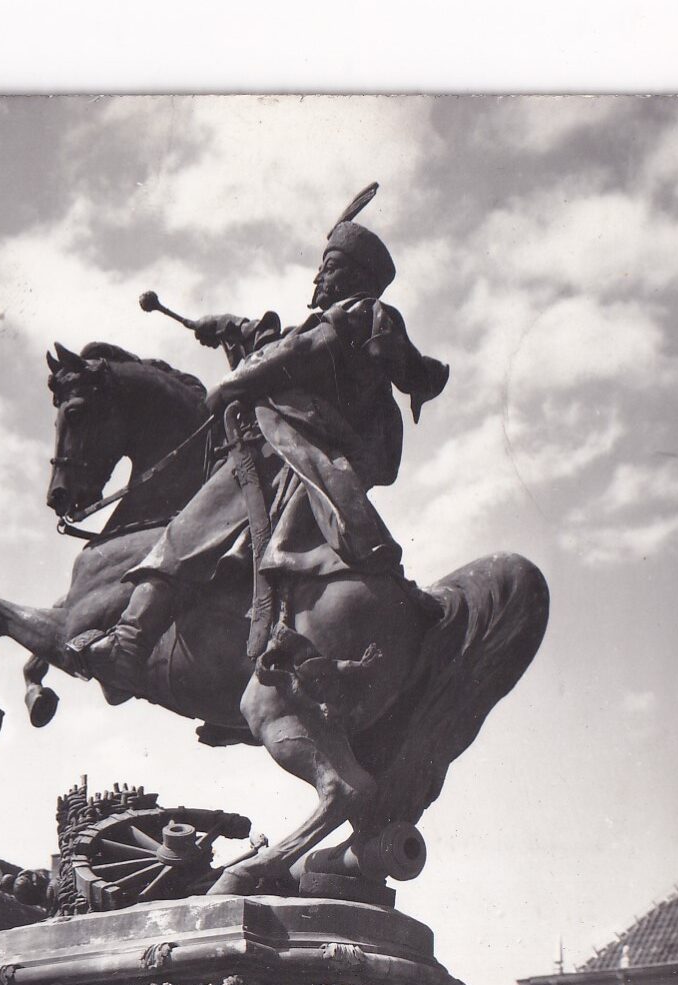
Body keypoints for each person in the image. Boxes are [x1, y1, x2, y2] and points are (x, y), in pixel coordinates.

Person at [69, 189, 449, 683]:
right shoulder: (344, 319)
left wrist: (231, 385)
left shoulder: (358, 314)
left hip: (283, 453)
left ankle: (131, 639)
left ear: (356, 277)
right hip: (295, 452)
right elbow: (279, 343)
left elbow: (296, 354)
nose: (318, 278)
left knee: (187, 530)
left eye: (329, 268)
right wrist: (230, 327)